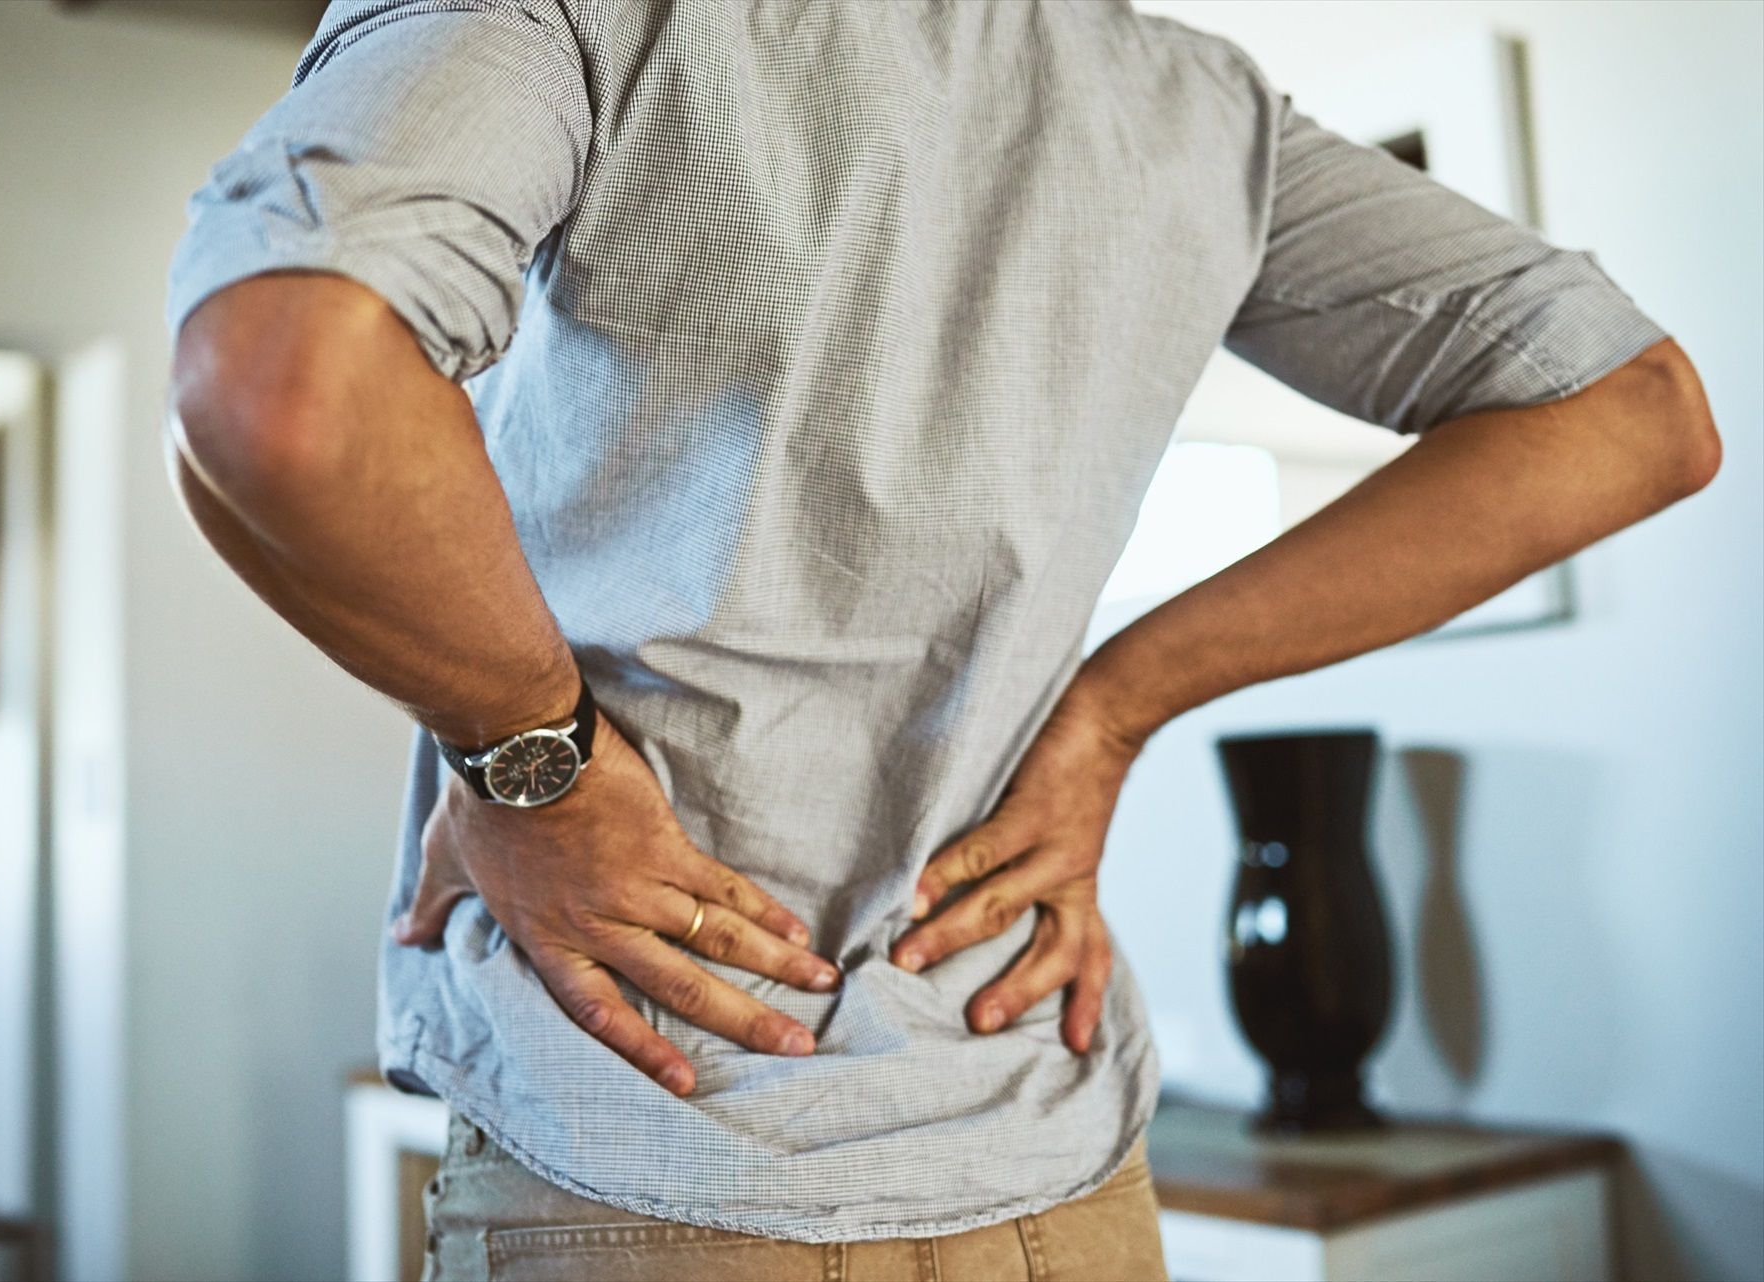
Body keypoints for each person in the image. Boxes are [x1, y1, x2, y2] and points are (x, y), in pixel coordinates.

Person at [162, 1, 1719, 1277]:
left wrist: (535, 765)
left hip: (655, 1146)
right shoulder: (1190, 103)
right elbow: (1635, 410)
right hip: (1060, 1175)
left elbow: (279, 386)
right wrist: (1120, 706)